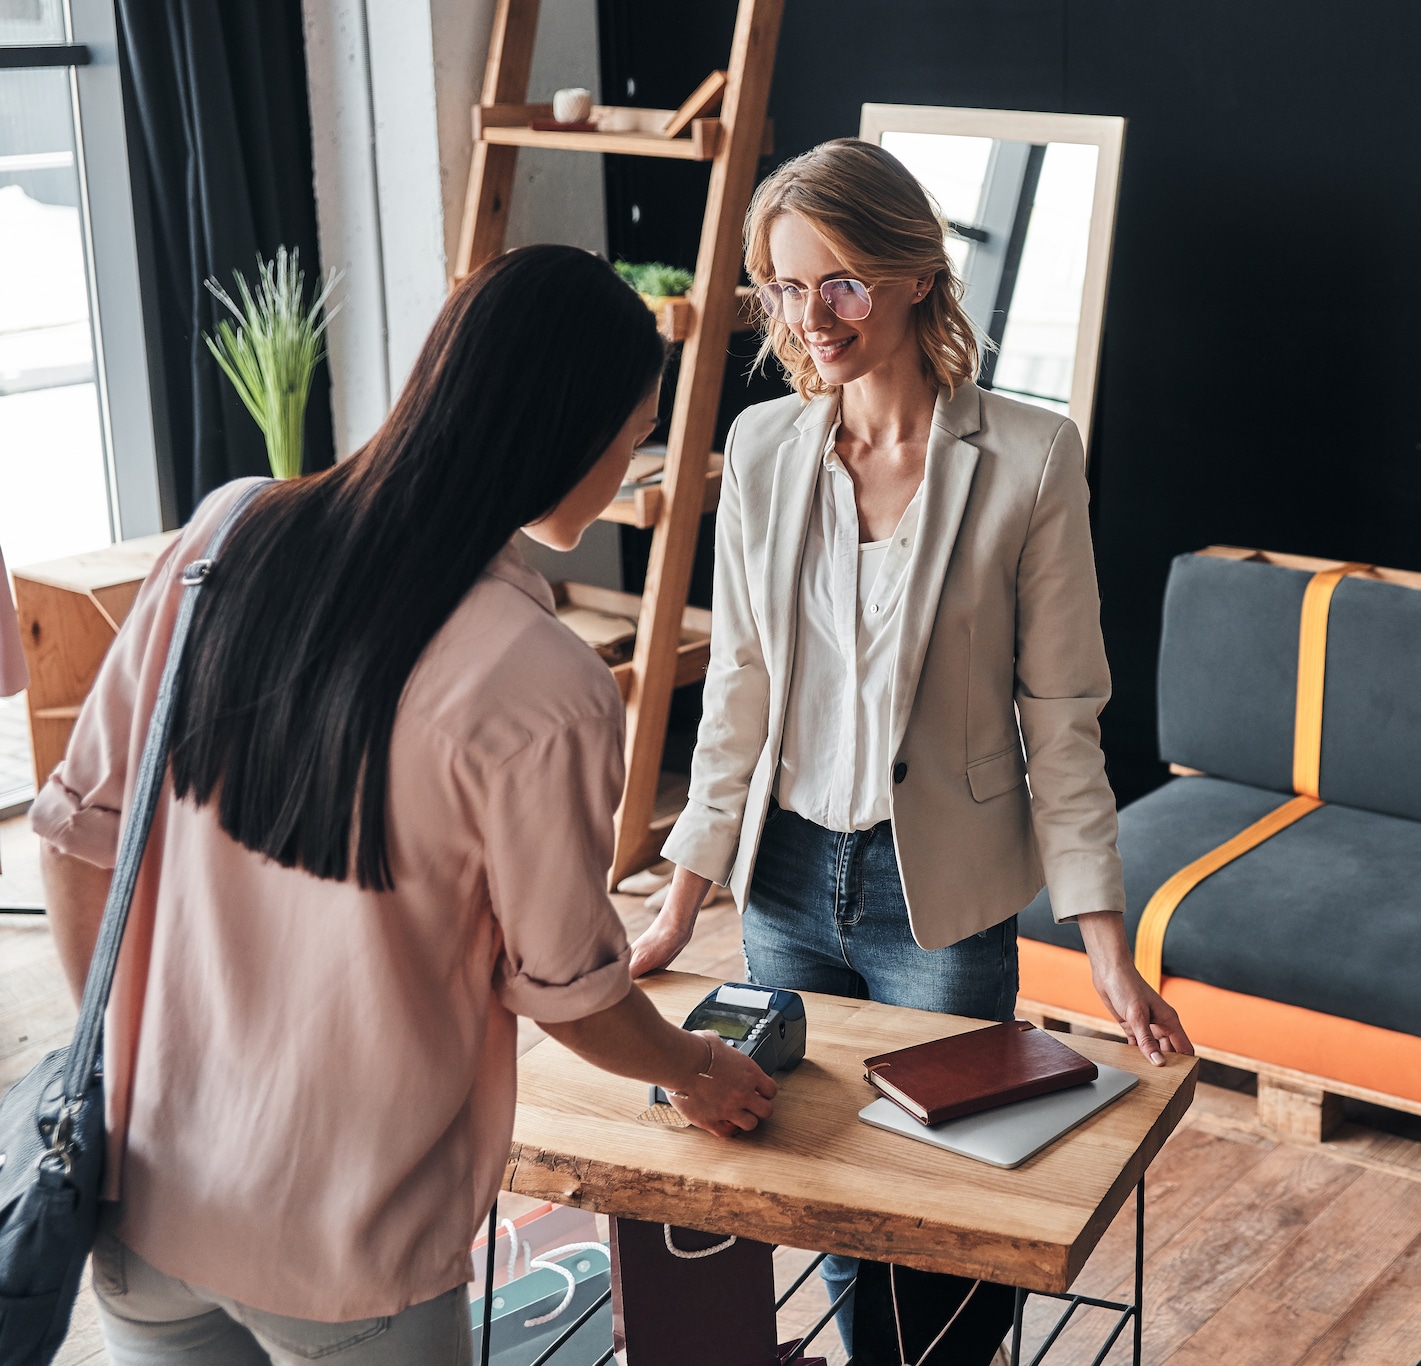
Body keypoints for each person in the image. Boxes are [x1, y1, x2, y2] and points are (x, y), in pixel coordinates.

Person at [32, 245, 778, 1366]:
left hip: (144, 1201)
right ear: (566, 433)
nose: (629, 466)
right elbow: (570, 995)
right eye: (631, 437)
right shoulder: (542, 684)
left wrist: (126, 1073)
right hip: (350, 1250)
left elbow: (78, 837)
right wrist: (698, 1069)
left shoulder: (223, 537)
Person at [627, 138, 1192, 1348]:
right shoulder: (768, 449)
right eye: (783, 287)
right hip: (781, 886)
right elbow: (738, 684)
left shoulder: (1030, 458)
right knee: (823, 1194)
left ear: (913, 273)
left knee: (945, 1196)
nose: (809, 317)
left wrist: (1102, 946)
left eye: (838, 282)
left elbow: (1063, 714)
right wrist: (682, 901)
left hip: (935, 895)